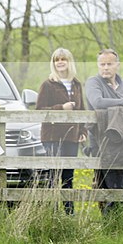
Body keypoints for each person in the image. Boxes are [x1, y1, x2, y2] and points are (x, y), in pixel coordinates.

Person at [85, 49, 123, 215]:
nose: (105, 68)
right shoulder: (93, 82)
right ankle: (112, 222)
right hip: (101, 141)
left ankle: (120, 220)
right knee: (108, 183)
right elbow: (97, 102)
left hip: (122, 141)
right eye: (102, 64)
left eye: (109, 64)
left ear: (117, 65)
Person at [36, 48, 86, 214]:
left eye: (63, 59)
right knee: (53, 175)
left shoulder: (77, 84)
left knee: (68, 176)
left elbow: (82, 110)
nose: (60, 62)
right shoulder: (48, 84)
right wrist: (61, 108)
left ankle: (69, 212)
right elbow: (40, 110)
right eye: (57, 60)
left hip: (72, 136)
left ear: (69, 61)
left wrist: (83, 130)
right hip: (52, 136)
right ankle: (51, 211)